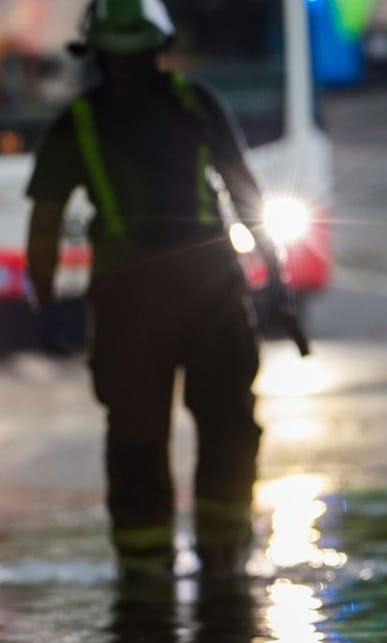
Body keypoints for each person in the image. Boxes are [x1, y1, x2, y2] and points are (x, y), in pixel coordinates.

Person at [23, 0, 292, 579]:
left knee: (140, 438)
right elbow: (247, 194)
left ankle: (149, 572)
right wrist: (276, 284)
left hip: (134, 297)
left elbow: (45, 224)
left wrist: (44, 308)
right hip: (205, 288)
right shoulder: (197, 103)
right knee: (219, 427)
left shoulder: (79, 119)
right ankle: (220, 560)